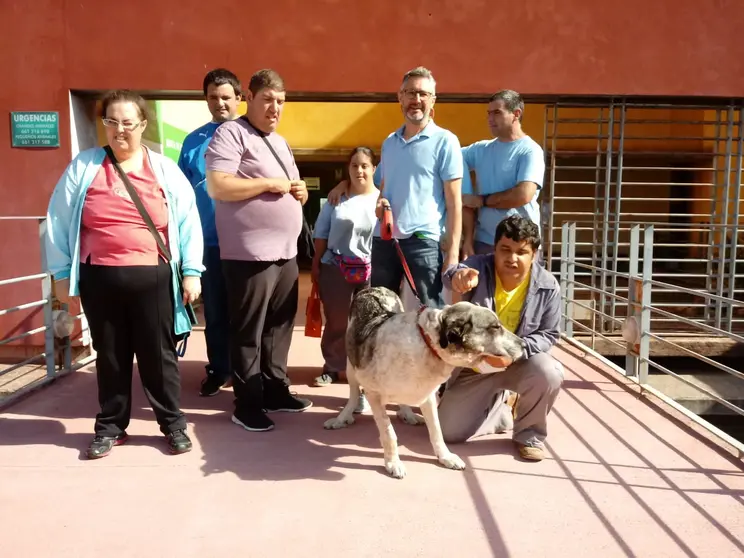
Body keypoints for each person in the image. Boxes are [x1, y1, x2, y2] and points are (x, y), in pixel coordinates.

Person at [45, 89, 204, 459]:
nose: (119, 130)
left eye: (128, 123)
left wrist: (192, 272)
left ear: (142, 125)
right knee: (111, 355)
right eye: (111, 122)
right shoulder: (84, 167)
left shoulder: (163, 169)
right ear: (103, 125)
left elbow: (187, 222)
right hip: (100, 279)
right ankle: (111, 427)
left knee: (158, 356)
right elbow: (58, 219)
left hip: (154, 278)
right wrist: (61, 276)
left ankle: (173, 425)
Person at [205, 69, 311, 432]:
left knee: (279, 326)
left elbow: (294, 185)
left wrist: (301, 193)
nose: (275, 108)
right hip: (249, 254)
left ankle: (275, 390)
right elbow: (219, 186)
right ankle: (247, 403)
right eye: (268, 99)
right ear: (248, 98)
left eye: (280, 102)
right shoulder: (230, 133)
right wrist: (269, 183)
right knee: (249, 330)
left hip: (286, 252)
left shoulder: (279, 142)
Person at [328, 66, 463, 308]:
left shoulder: (446, 141)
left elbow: (454, 203)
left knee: (430, 316)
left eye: (423, 94)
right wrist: (347, 184)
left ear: (434, 100)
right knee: (381, 312)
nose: (416, 100)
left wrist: (452, 254)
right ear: (400, 98)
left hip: (424, 241)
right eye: (410, 93)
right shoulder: (390, 143)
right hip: (385, 241)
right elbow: (380, 184)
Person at [440, 215, 564, 461]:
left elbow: (550, 334)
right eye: (505, 250)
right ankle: (500, 409)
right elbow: (454, 273)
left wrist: (515, 353)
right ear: (494, 249)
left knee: (549, 371)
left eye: (522, 252)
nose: (512, 258)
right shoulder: (480, 267)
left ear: (535, 254)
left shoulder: (548, 286)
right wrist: (458, 277)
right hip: (476, 365)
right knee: (448, 433)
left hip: (519, 362)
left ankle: (529, 435)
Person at [178, 68, 242, 397]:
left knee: (247, 312)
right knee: (215, 312)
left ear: (239, 99)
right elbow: (180, 195)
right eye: (214, 97)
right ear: (206, 100)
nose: (220, 103)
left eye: (226, 97)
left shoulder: (254, 136)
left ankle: (250, 373)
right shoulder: (193, 142)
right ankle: (219, 369)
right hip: (209, 243)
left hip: (247, 244)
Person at [311, 147, 379, 387]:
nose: (359, 170)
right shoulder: (336, 198)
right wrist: (316, 263)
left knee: (368, 323)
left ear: (373, 169)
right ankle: (332, 367)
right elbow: (321, 233)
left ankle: (362, 369)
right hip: (336, 267)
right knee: (337, 321)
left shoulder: (382, 198)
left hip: (370, 270)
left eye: (364, 166)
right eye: (354, 166)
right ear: (348, 169)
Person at [460, 90, 545, 258]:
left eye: (497, 113)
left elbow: (523, 194)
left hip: (520, 244)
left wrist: (481, 201)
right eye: (489, 113)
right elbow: (448, 157)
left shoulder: (530, 150)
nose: (490, 119)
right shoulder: (480, 150)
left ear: (516, 114)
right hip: (485, 243)